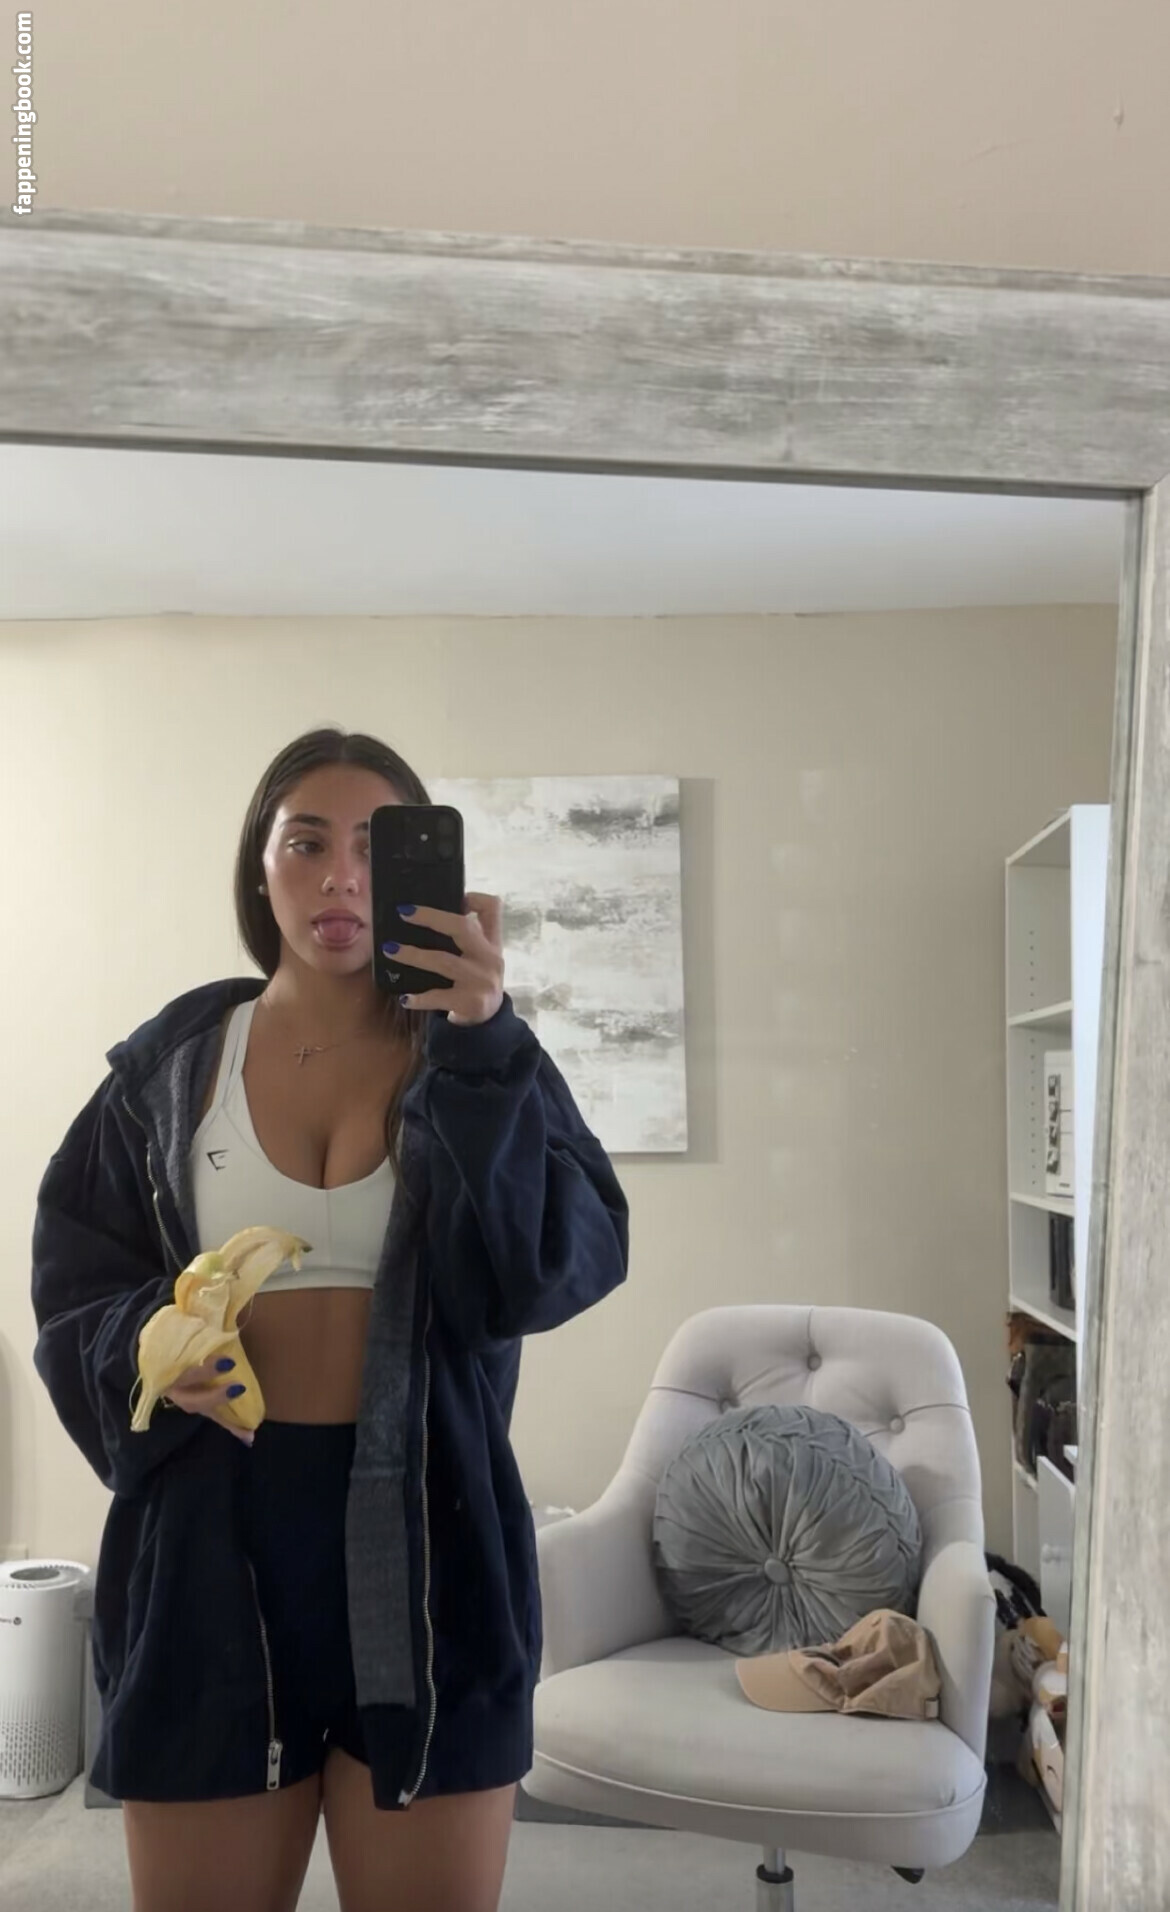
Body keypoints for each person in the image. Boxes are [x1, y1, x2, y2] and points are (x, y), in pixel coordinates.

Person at [31, 726, 630, 1912]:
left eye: (375, 846)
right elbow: (76, 1275)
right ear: (260, 868)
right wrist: (148, 1344)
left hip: (431, 1548)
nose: (341, 877)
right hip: (209, 1547)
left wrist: (486, 1043)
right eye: (306, 843)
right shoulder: (171, 1070)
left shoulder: (479, 1052)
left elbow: (553, 1264)